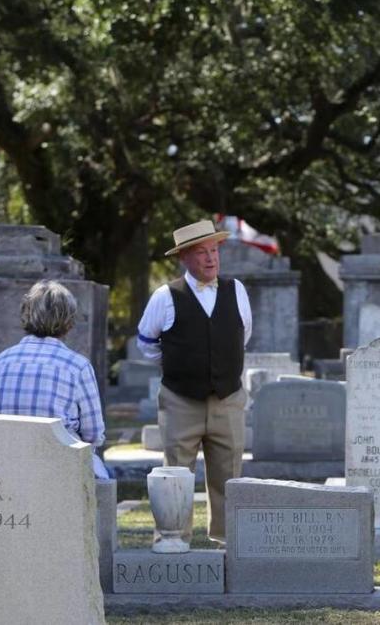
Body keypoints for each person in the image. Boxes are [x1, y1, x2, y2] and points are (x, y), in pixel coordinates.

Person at [136, 220, 252, 544]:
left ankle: (228, 543)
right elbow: (146, 344)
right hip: (180, 401)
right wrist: (180, 364)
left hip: (227, 399)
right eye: (201, 252)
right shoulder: (165, 296)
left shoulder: (236, 291)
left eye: (214, 250)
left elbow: (242, 336)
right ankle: (173, 539)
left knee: (228, 476)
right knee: (175, 474)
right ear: (184, 257)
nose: (211, 258)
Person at [0, 280, 108, 478]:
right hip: (59, 467)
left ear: (26, 313)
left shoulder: (3, 360)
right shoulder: (78, 366)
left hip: (5, 464)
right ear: (69, 321)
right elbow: (93, 433)